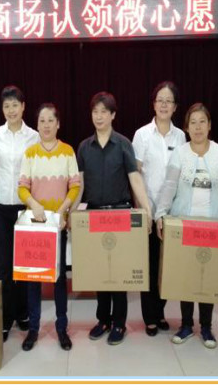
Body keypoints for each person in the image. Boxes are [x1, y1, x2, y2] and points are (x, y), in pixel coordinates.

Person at [155, 102, 218, 349]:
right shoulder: (180, 153)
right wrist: (160, 214)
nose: (197, 127)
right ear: (186, 127)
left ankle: (206, 327)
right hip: (184, 224)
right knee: (187, 276)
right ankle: (186, 325)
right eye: (193, 123)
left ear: (209, 125)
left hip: (213, 226)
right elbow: (169, 186)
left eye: (202, 122)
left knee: (208, 276)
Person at [73, 91, 152, 346]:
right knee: (100, 272)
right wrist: (72, 213)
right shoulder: (84, 147)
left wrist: (147, 209)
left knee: (118, 273)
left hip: (120, 214)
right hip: (95, 215)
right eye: (95, 112)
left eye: (104, 112)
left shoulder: (123, 144)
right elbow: (79, 185)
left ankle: (119, 323)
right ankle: (103, 320)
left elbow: (135, 179)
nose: (99, 117)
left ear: (113, 115)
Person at [17, 103, 80, 351]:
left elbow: (75, 186)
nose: (46, 125)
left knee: (58, 278)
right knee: (33, 278)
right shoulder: (30, 152)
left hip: (57, 224)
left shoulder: (67, 151)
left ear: (58, 124)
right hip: (35, 225)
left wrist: (64, 209)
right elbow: (22, 187)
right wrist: (34, 204)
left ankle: (61, 328)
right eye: (42, 121)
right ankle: (33, 329)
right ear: (37, 124)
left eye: (50, 120)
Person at [0, 85, 39, 341]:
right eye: (6, 106)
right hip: (1, 205)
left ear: (23, 107)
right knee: (5, 263)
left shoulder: (34, 136)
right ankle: (5, 319)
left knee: (24, 262)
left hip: (25, 206)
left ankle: (23, 312)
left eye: (15, 105)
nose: (11, 110)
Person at [132, 81, 186, 337]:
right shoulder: (142, 135)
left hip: (173, 212)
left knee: (168, 266)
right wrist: (143, 210)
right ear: (153, 104)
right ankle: (150, 317)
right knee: (150, 265)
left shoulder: (181, 136)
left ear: (175, 107)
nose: (164, 105)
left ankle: (161, 311)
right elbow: (136, 174)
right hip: (149, 210)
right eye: (160, 100)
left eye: (169, 101)